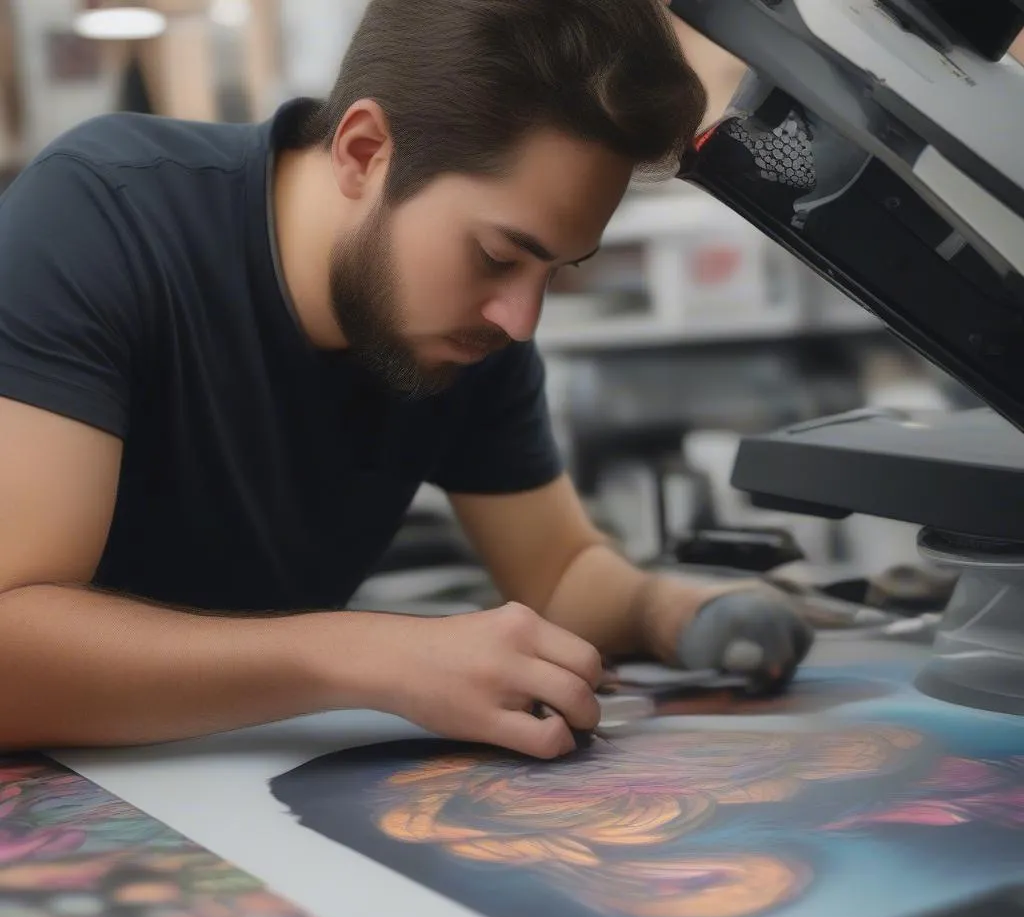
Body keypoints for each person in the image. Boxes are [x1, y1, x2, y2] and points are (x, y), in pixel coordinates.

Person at [0, 0, 811, 758]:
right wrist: (365, 655)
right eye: (498, 255)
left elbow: (559, 571)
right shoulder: (103, 219)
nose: (520, 319)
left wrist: (668, 611)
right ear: (363, 151)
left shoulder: (469, 328)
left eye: (556, 270)